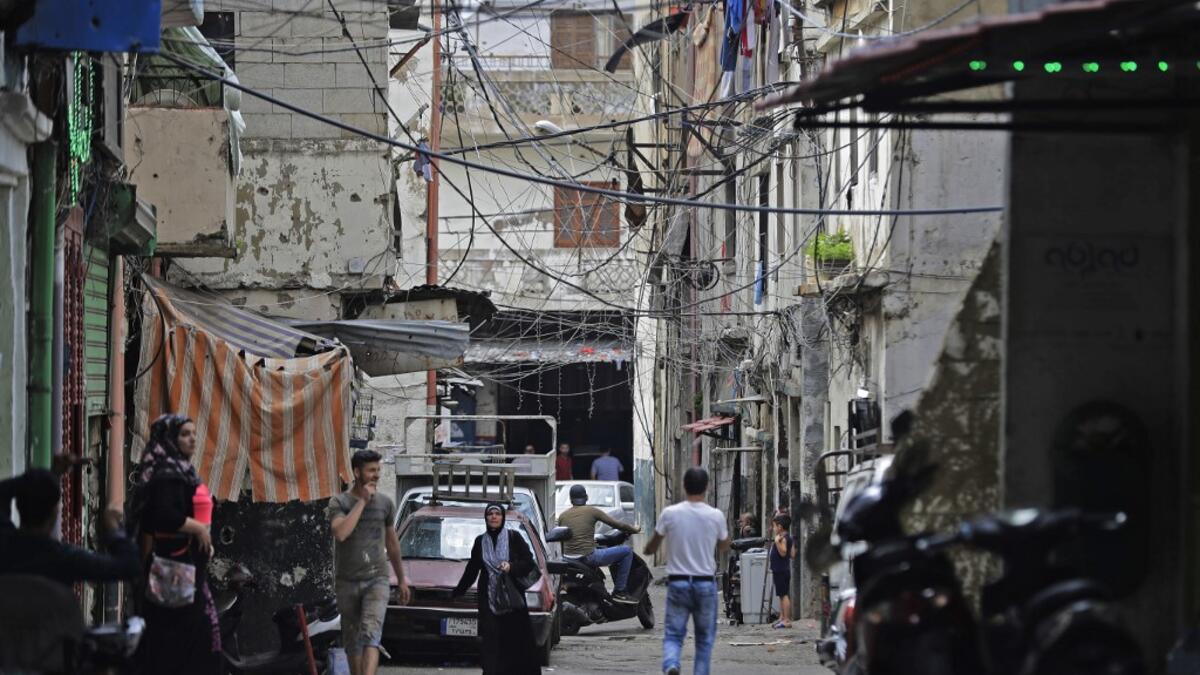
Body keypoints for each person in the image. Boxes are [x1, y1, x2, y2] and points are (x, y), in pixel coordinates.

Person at [132, 414, 221, 675]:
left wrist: (203, 537)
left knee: (197, 642)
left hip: (190, 570)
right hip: (176, 572)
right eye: (184, 434)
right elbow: (159, 516)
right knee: (186, 644)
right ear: (170, 439)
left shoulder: (182, 470)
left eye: (194, 433)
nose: (192, 438)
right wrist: (197, 529)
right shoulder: (167, 474)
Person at [328, 449, 411, 675]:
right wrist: (362, 503)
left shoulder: (385, 504)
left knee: (371, 634)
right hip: (347, 581)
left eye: (378, 470)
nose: (376, 475)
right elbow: (341, 533)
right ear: (357, 472)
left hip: (377, 579)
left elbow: (392, 544)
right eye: (371, 470)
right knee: (352, 639)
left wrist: (402, 580)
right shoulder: (339, 502)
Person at [644, 468, 730, 675]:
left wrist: (654, 544)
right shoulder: (715, 515)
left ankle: (672, 663)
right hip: (705, 584)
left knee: (673, 634)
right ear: (707, 487)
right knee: (704, 640)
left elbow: (651, 548)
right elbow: (724, 546)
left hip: (679, 583)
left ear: (684, 486)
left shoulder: (670, 514)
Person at [0, 460, 140, 585]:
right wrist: (113, 528)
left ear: (18, 505)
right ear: (55, 513)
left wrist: (43, 479)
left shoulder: (5, 543)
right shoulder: (62, 560)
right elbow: (129, 566)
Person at [453, 503, 541, 675]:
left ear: (502, 517)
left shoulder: (514, 538)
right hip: (489, 600)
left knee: (514, 641)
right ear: (485, 518)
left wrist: (511, 567)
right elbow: (472, 569)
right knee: (491, 641)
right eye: (490, 514)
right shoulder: (480, 541)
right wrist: (459, 591)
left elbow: (529, 563)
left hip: (511, 600)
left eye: (497, 514)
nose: (494, 517)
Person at [557, 484, 641, 603]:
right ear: (586, 497)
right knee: (627, 551)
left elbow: (562, 539)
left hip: (568, 558)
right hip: (588, 557)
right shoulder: (592, 511)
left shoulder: (562, 516)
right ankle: (620, 591)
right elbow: (618, 525)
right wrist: (634, 529)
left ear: (570, 499)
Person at [769, 514, 796, 629]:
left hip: (781, 570)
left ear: (780, 527)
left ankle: (786, 620)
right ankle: (782, 617)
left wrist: (776, 542)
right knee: (781, 594)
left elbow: (784, 552)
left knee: (784, 595)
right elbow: (793, 554)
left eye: (774, 526)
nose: (773, 529)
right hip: (782, 569)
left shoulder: (781, 538)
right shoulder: (788, 537)